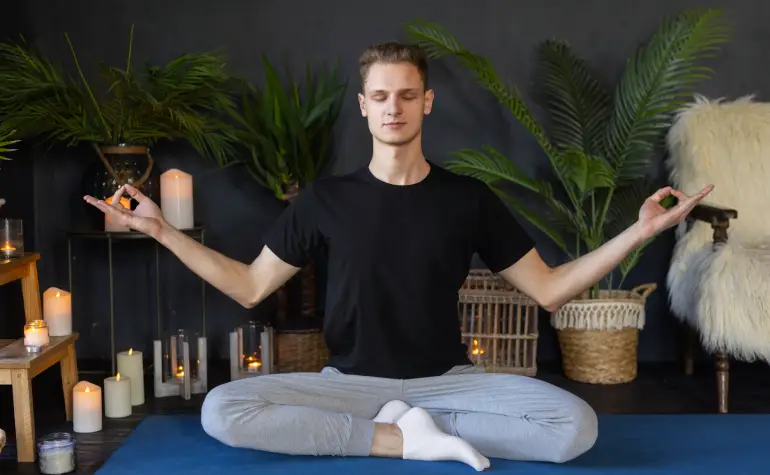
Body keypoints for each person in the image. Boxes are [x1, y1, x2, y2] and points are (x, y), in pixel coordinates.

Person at [85, 42, 713, 471]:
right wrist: (163, 232)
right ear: (363, 106)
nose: (393, 107)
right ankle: (403, 441)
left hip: (451, 384)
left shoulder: (468, 198)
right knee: (223, 408)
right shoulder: (325, 201)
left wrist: (641, 231)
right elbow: (251, 286)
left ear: (426, 103)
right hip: (352, 386)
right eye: (380, 96)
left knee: (576, 427)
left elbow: (548, 290)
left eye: (407, 95)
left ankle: (414, 428)